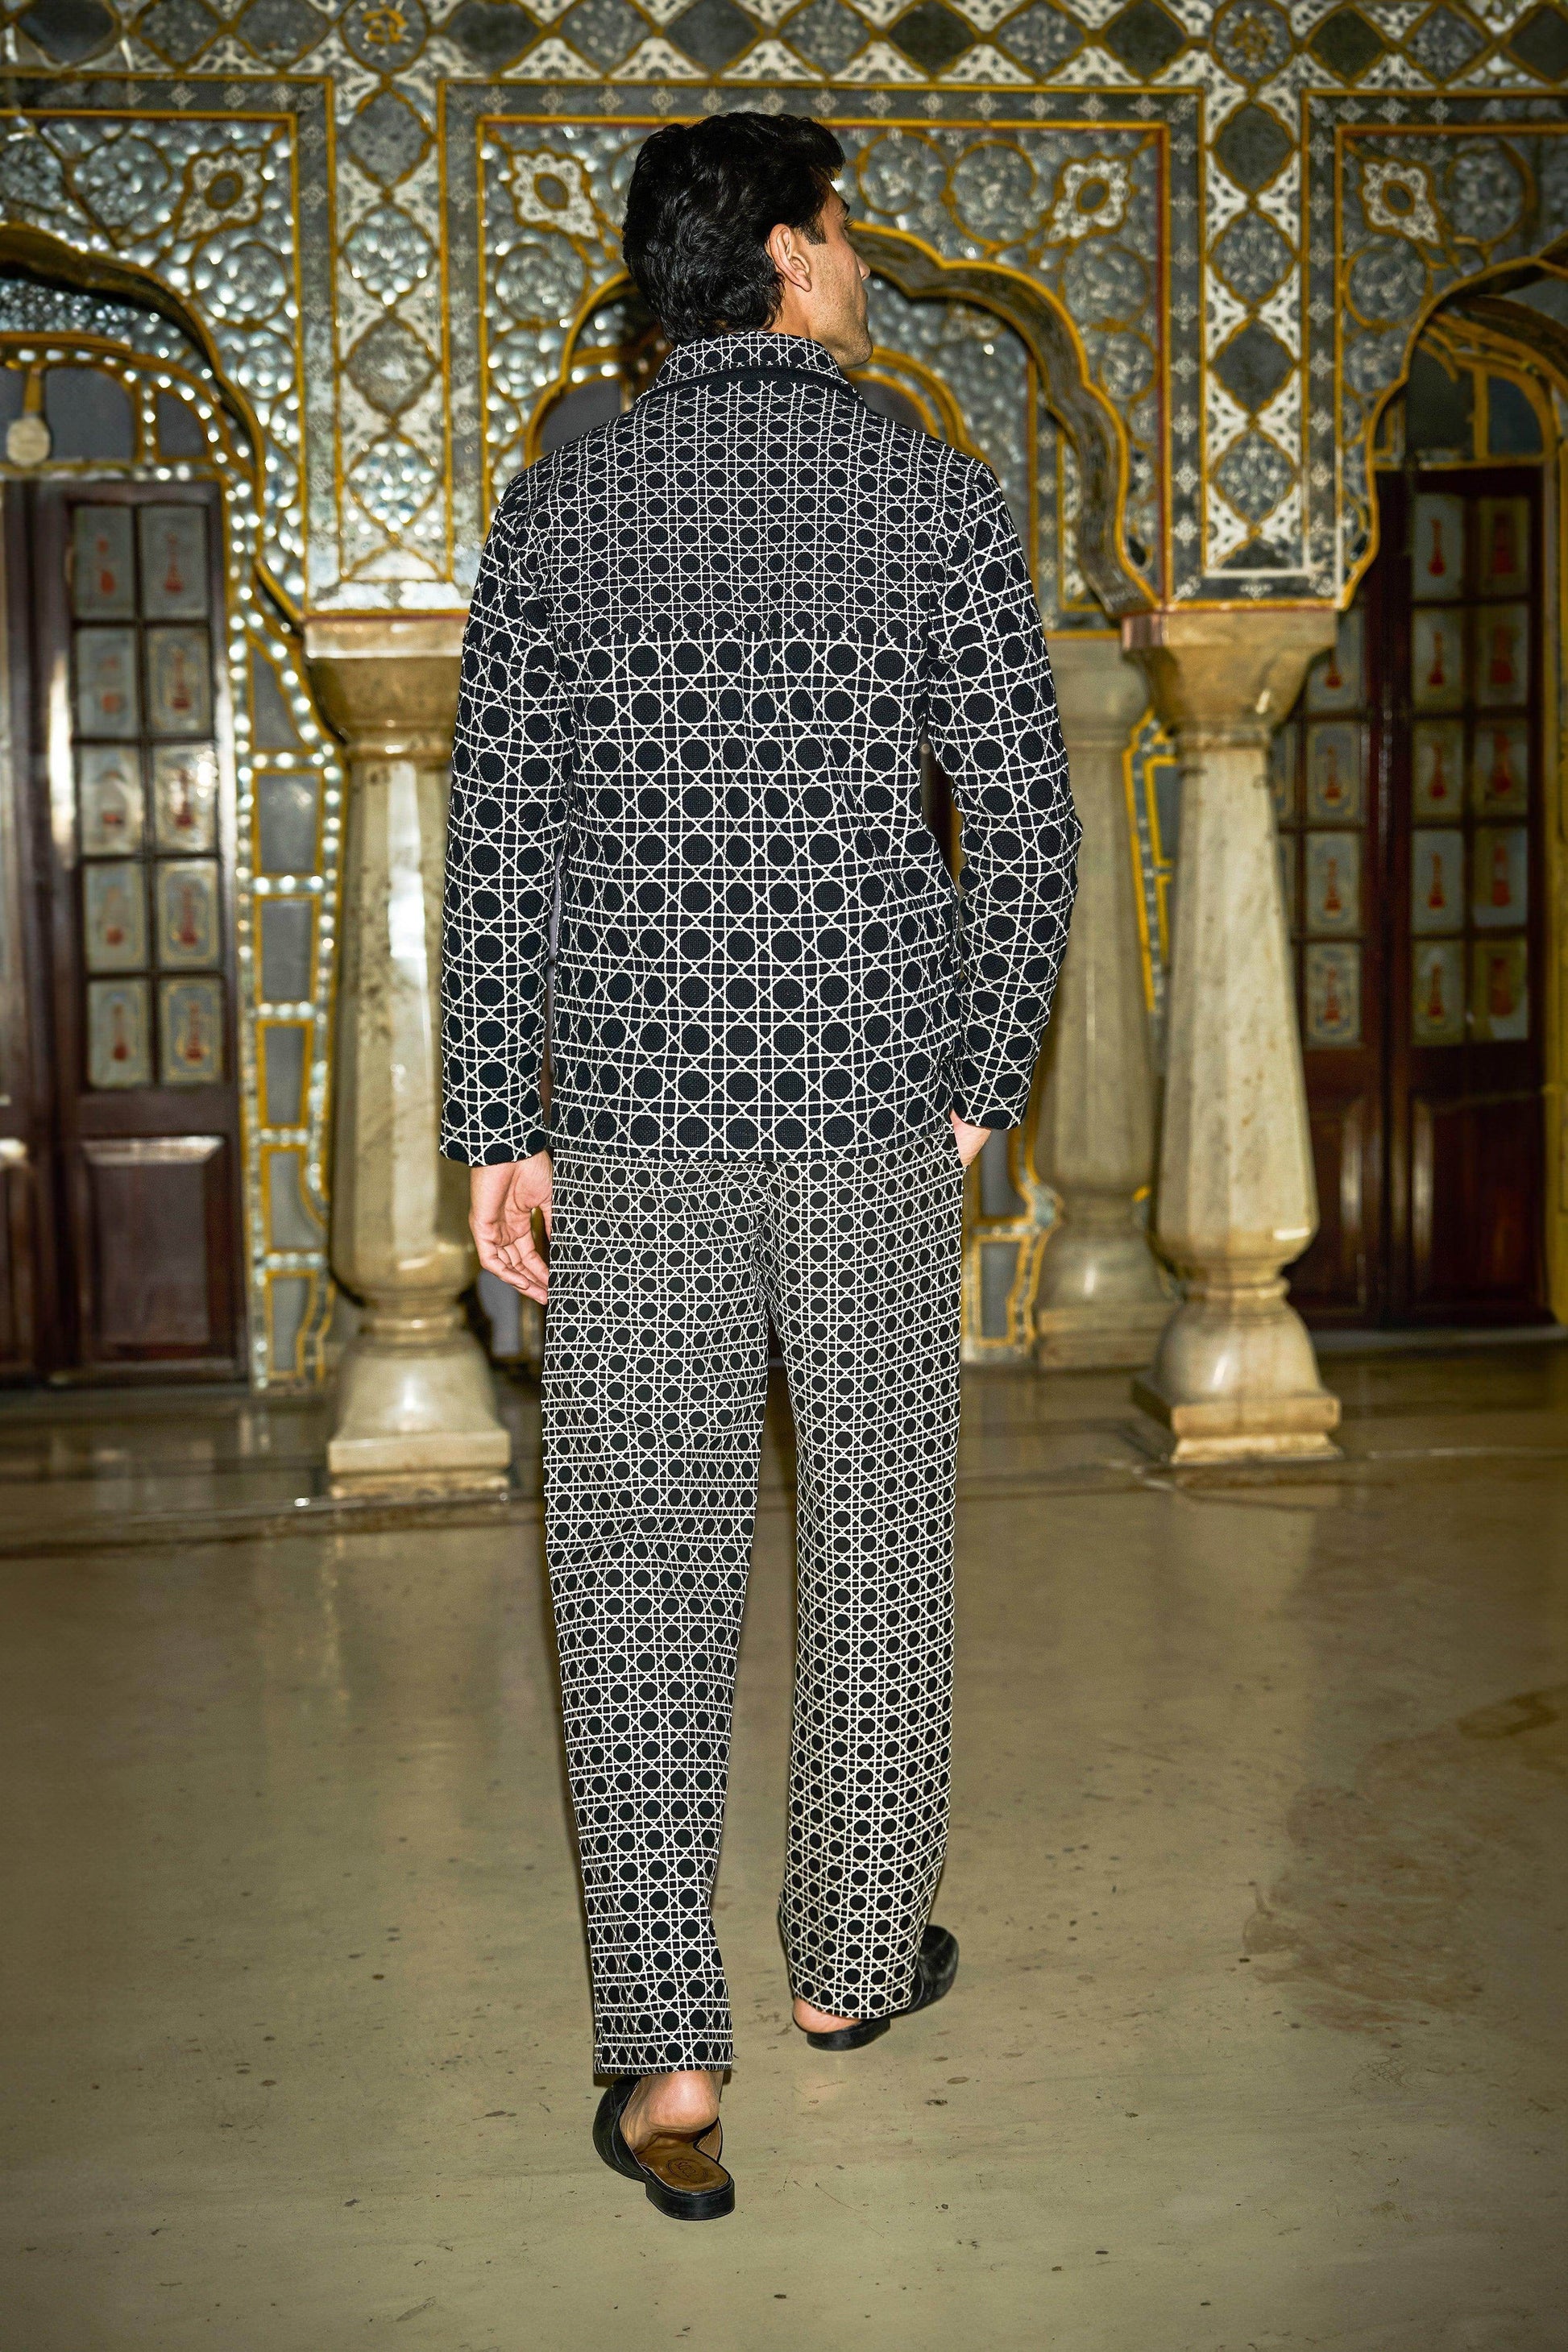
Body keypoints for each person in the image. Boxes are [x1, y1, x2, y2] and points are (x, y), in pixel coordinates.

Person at [439, 110, 1078, 2223]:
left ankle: (669, 2066)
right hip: (873, 1113)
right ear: (792, 257)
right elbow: (1027, 824)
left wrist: (497, 1127)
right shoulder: (927, 489)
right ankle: (850, 1964)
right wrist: (977, 1082)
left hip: (631, 1120)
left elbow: (500, 842)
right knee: (879, 1541)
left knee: (636, 1572)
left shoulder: (563, 501)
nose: (862, 263)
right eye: (847, 231)